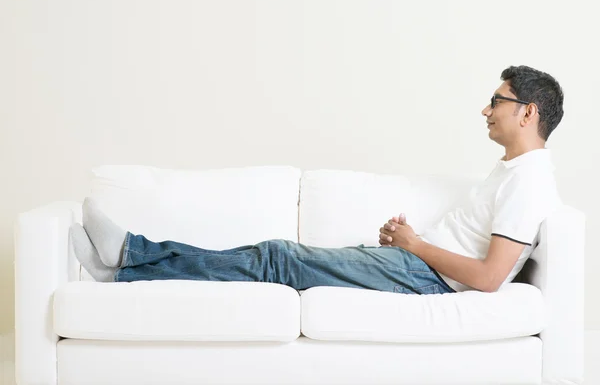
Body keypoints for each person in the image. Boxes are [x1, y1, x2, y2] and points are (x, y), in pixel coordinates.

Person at [70, 65, 564, 294]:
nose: (485, 108)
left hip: (426, 279)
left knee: (278, 258)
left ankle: (131, 256)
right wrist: (405, 241)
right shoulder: (513, 171)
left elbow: (489, 277)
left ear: (528, 113)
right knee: (277, 256)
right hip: (416, 264)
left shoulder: (530, 181)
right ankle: (125, 264)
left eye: (496, 101)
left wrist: (414, 248)